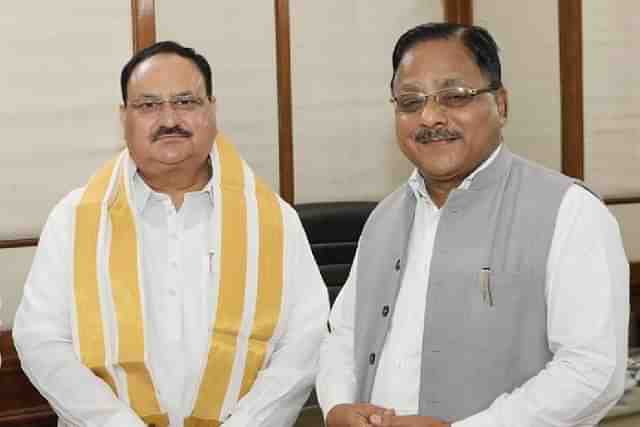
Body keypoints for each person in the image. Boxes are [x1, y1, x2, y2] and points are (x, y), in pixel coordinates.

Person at [316, 22, 629, 427]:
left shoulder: (570, 212)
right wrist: (337, 405)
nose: (430, 116)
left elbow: (592, 370)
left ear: (501, 104)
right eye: (410, 102)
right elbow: (344, 333)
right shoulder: (384, 218)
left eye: (454, 96)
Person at [13, 41, 329, 427]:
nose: (169, 119)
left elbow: (305, 338)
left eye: (186, 102)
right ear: (123, 117)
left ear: (211, 109)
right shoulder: (74, 219)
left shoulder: (274, 220)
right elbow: (41, 340)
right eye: (148, 105)